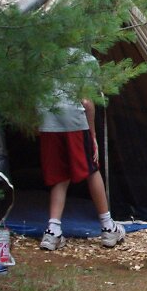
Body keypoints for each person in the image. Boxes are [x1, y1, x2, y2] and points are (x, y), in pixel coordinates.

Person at [38, 51, 125, 251]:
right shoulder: (86, 59)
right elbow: (87, 102)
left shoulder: (43, 55)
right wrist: (92, 135)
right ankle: (108, 227)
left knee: (59, 174)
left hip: (47, 121)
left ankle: (52, 231)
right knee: (91, 168)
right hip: (75, 122)